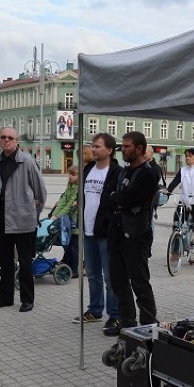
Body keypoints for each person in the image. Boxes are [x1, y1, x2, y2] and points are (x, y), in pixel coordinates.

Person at [0, 126, 47, 313]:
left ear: (17, 141)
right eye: (3, 137)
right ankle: (5, 297)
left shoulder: (27, 162)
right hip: (3, 219)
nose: (7, 140)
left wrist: (32, 214)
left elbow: (41, 192)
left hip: (23, 222)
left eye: (10, 138)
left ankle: (27, 300)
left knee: (25, 262)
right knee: (5, 261)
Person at [107, 131, 159, 334]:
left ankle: (148, 325)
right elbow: (110, 198)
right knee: (118, 281)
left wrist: (117, 198)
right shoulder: (122, 172)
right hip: (117, 233)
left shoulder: (147, 174)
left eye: (127, 146)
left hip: (136, 235)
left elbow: (130, 199)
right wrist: (117, 198)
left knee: (140, 283)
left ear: (139, 148)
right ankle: (127, 322)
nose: (123, 149)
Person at [76, 133, 122, 334]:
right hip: (88, 230)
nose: (93, 149)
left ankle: (115, 315)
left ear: (109, 150)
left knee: (111, 277)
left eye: (97, 146)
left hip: (107, 233)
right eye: (92, 146)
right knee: (92, 274)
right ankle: (95, 310)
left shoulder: (117, 172)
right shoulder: (88, 169)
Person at [165, 147, 194, 269]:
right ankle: (174, 254)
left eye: (190, 156)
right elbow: (175, 181)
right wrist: (168, 191)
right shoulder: (183, 170)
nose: (187, 158)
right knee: (176, 226)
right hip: (183, 201)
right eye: (186, 156)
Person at [51, 166, 79, 276]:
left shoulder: (78, 189)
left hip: (75, 223)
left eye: (74, 175)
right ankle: (68, 265)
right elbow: (63, 202)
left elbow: (69, 206)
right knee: (67, 245)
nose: (71, 177)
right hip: (66, 223)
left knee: (74, 247)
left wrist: (58, 216)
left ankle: (75, 269)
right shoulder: (70, 187)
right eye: (70, 174)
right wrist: (54, 214)